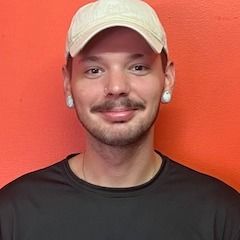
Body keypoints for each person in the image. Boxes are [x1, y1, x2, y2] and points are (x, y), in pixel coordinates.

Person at [0, 0, 239, 239]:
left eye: (137, 67)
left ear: (167, 79)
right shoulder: (11, 214)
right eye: (94, 70)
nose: (116, 87)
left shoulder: (224, 215)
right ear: (68, 85)